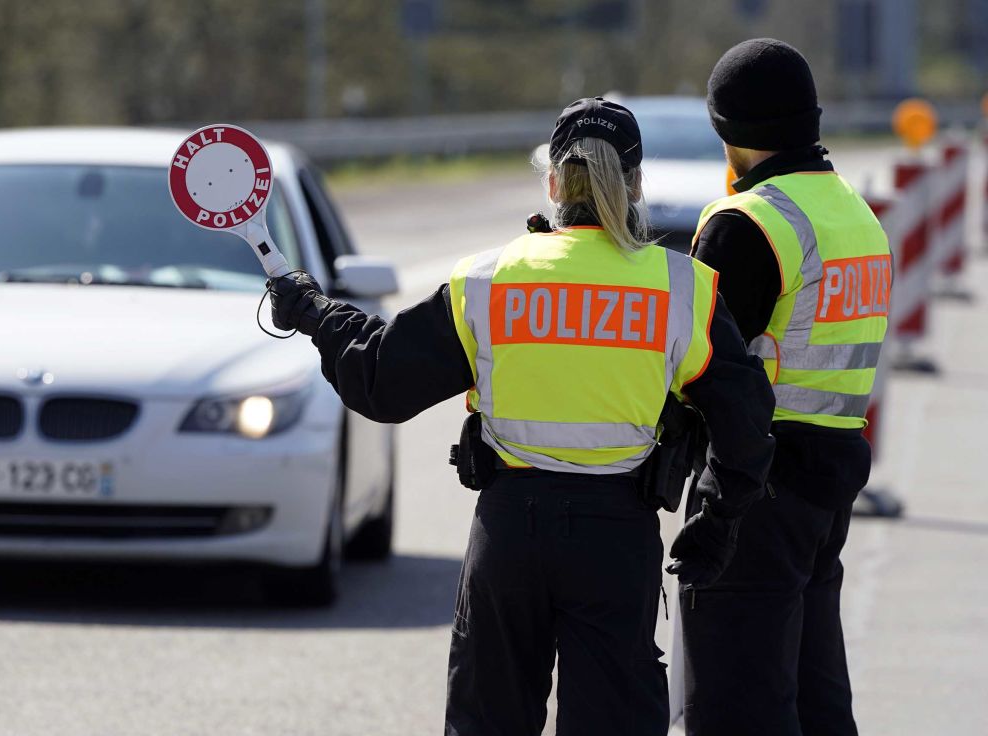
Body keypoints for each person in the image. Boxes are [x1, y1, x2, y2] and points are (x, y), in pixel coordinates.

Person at [267, 97, 776, 736]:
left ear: (555, 182)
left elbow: (381, 383)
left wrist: (314, 311)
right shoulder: (684, 289)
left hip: (509, 534)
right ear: (637, 184)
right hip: (617, 540)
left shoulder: (488, 279)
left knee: (488, 721)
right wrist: (717, 517)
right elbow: (747, 421)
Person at [681, 39, 892, 736]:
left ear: (728, 133)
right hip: (827, 484)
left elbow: (697, 366)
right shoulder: (856, 217)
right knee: (813, 698)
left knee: (738, 706)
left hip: (752, 491)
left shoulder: (748, 224)